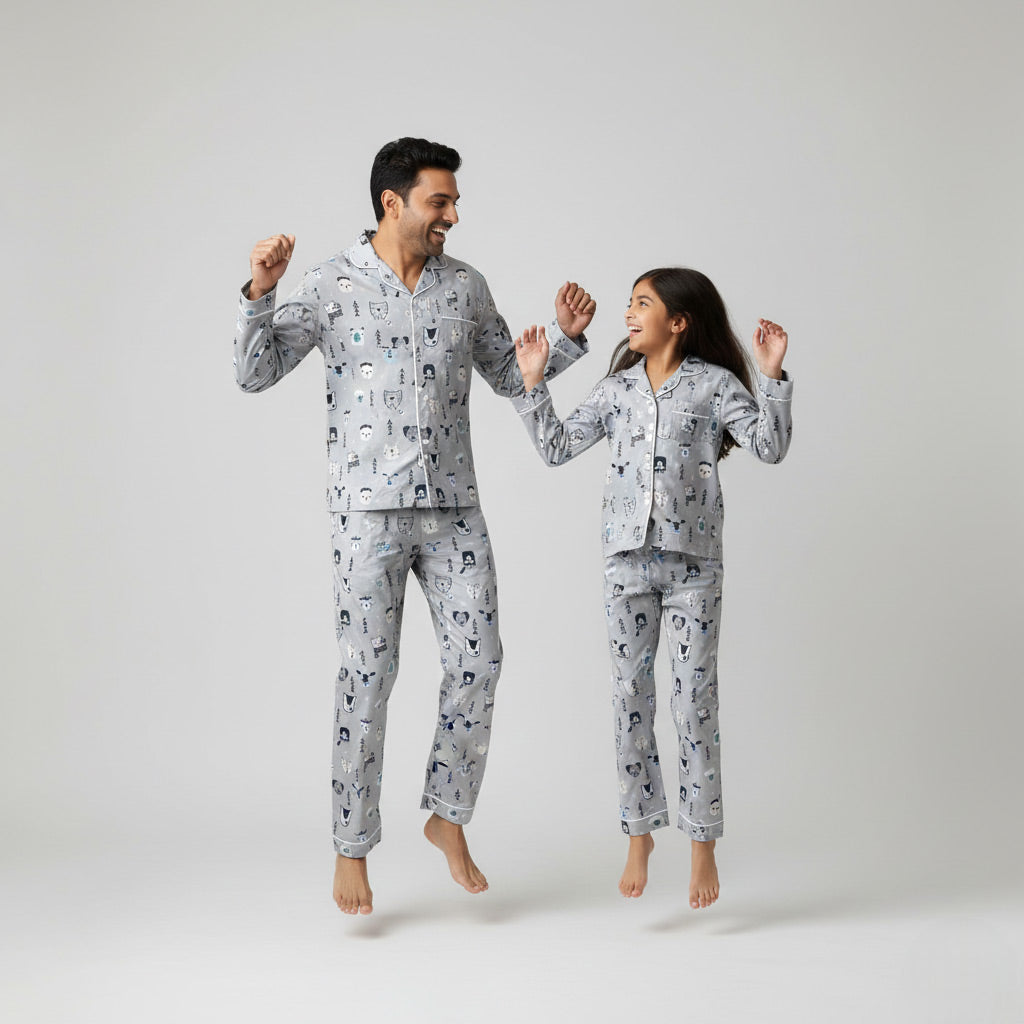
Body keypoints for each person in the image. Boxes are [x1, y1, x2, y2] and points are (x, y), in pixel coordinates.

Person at [233, 137, 596, 916]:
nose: (454, 215)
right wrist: (261, 290)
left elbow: (508, 374)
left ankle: (446, 815)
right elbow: (253, 373)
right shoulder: (329, 284)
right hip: (367, 512)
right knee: (368, 677)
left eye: (455, 201)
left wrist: (562, 340)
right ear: (393, 201)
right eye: (442, 201)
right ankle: (351, 846)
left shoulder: (465, 286)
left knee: (481, 660)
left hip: (454, 506)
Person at [510, 267, 792, 909]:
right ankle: (640, 832)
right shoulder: (616, 391)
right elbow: (556, 448)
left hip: (694, 567)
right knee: (630, 698)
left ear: (679, 320)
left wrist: (772, 375)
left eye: (642, 304)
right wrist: (533, 384)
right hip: (625, 563)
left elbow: (769, 446)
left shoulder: (715, 385)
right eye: (630, 305)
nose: (629, 315)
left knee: (694, 702)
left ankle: (702, 844)